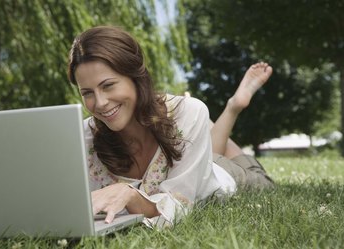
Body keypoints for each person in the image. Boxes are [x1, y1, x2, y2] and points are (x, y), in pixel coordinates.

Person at [67, 26, 274, 228]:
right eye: (87, 93)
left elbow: (181, 205)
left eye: (108, 85)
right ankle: (206, 131)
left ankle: (233, 107)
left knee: (262, 183)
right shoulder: (85, 137)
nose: (100, 102)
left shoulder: (189, 113)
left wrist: (130, 194)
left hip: (219, 173)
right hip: (191, 157)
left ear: (135, 77)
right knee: (200, 142)